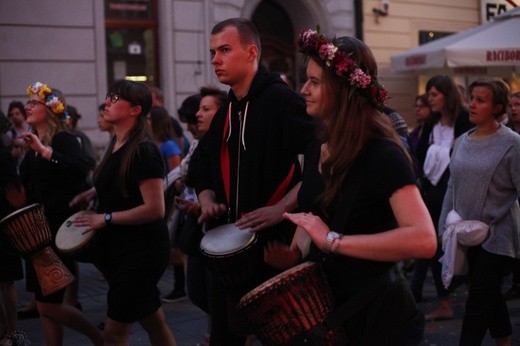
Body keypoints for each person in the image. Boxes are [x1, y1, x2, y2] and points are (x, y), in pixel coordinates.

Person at [261, 27, 436, 345]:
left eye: (315, 82)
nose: (303, 90)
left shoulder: (383, 153)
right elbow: (314, 212)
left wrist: (331, 241)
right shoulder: (318, 145)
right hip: (334, 314)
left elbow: (423, 239)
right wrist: (295, 252)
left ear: (343, 90)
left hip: (381, 317)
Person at [192, 18, 316, 344]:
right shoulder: (227, 110)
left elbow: (327, 159)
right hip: (229, 252)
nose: (215, 59)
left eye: (224, 50)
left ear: (250, 53)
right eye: (212, 52)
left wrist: (282, 207)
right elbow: (202, 162)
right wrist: (206, 200)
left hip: (273, 250)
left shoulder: (281, 101)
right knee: (225, 336)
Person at [69, 79, 177, 345]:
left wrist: (104, 218)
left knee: (114, 332)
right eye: (108, 97)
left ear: (135, 110)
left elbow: (155, 209)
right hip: (121, 249)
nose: (106, 103)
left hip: (141, 252)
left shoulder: (143, 150)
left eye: (115, 99)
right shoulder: (116, 144)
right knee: (153, 320)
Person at [18, 82, 103, 345]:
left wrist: (45, 152)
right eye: (28, 102)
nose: (27, 106)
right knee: (45, 305)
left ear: (52, 108)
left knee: (48, 305)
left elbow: (80, 169)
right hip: (37, 231)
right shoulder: (31, 143)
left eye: (34, 102)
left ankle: (98, 338)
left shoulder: (64, 139)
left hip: (57, 228)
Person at [438, 78, 520, 346]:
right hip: (465, 232)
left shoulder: (512, 143)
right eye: (471, 97)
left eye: (480, 100)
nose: (471, 104)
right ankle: (505, 341)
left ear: (497, 108)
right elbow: (452, 184)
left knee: (477, 301)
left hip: (498, 234)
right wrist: (443, 227)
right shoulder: (462, 140)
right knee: (488, 293)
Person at [410, 75, 473, 319]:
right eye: (429, 94)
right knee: (434, 248)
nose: (430, 99)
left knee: (455, 248)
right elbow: (422, 153)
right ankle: (444, 303)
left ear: (447, 95)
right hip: (432, 193)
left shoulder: (463, 119)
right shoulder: (432, 122)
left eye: (434, 94)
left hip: (455, 194)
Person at [0, 110, 26, 345]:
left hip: (2, 223)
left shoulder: (4, 154)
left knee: (6, 280)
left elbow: (14, 191)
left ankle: (12, 332)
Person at [503, 91, 520, 301]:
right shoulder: (506, 133)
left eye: (518, 105)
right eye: (511, 105)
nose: (514, 108)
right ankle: (516, 281)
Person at [147, 106, 183, 176]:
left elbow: (175, 176)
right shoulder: (150, 144)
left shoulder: (169, 146)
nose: (146, 122)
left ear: (157, 122)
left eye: (149, 119)